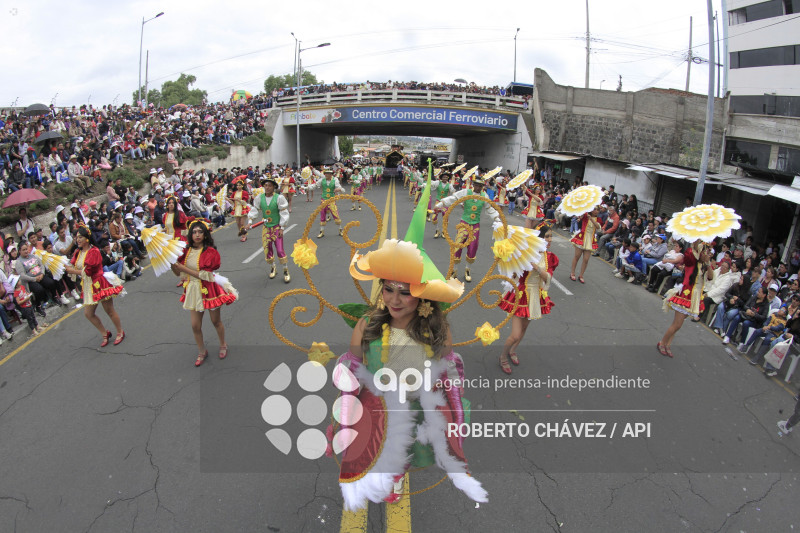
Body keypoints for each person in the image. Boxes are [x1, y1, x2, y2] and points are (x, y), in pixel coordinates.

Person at [334, 178, 486, 510]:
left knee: (405, 449)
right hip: (379, 407)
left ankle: (398, 473)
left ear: (423, 295)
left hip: (417, 405)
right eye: (388, 289)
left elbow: (448, 374)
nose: (395, 299)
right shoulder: (367, 324)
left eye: (406, 291)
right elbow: (352, 369)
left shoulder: (437, 329)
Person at [171, 219, 237, 366]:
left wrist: (183, 268)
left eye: (200, 231)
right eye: (194, 232)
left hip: (209, 288)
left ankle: (223, 344)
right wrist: (172, 264)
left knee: (215, 321)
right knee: (195, 325)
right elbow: (178, 273)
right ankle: (202, 351)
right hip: (193, 290)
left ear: (205, 234)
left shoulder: (211, 252)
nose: (197, 234)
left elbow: (206, 275)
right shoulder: (185, 251)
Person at [497, 223, 557, 373]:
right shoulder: (525, 252)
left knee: (524, 329)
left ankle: (513, 350)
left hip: (536, 295)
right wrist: (517, 267)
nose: (550, 239)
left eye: (551, 236)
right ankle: (503, 356)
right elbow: (513, 273)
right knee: (515, 334)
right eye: (547, 236)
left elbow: (548, 278)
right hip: (521, 295)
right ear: (539, 238)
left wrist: (536, 267)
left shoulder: (549, 257)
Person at [64, 225, 126, 347]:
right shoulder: (78, 252)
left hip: (98, 283)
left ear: (87, 238)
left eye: (80, 237)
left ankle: (120, 331)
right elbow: (73, 265)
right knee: (88, 313)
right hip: (88, 285)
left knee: (109, 310)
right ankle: (105, 333)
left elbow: (88, 272)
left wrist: (72, 272)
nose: (78, 240)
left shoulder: (94, 251)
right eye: (77, 238)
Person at [434, 175, 501, 282]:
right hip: (464, 224)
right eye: (476, 185)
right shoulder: (466, 192)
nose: (478, 187)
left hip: (475, 226)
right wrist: (441, 203)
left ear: (482, 187)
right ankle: (454, 270)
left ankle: (467, 270)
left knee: (473, 248)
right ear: (473, 185)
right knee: (458, 246)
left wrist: (497, 218)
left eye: (480, 186)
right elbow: (454, 198)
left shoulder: (484, 196)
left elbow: (490, 209)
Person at [658, 241, 713, 357]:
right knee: (676, 324)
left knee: (679, 325)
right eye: (705, 252)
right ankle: (662, 342)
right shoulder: (691, 261)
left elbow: (711, 277)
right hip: (686, 295)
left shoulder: (704, 265)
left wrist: (708, 263)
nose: (707, 254)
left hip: (695, 297)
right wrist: (698, 241)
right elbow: (691, 251)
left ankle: (668, 344)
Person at [248, 176, 291, 283]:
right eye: (265, 185)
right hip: (266, 228)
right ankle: (273, 267)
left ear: (274, 187)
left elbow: (284, 213)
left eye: (269, 186)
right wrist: (249, 222)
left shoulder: (279, 198)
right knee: (267, 250)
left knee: (280, 250)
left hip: (276, 227)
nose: (267, 187)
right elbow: (254, 210)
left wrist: (282, 228)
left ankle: (285, 270)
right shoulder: (259, 198)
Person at [308, 167, 345, 239]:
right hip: (323, 200)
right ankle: (321, 232)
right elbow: (314, 186)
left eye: (329, 174)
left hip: (331, 200)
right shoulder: (322, 180)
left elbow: (340, 188)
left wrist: (339, 189)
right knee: (322, 215)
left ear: (331, 174)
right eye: (326, 173)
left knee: (335, 214)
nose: (327, 175)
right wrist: (306, 188)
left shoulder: (335, 180)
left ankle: (340, 230)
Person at [569, 207, 602, 284]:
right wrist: (582, 214)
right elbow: (579, 217)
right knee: (577, 256)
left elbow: (598, 227)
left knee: (586, 259)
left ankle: (581, 275)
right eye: (594, 209)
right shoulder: (585, 215)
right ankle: (572, 272)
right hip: (582, 237)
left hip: (590, 239)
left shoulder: (598, 219)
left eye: (597, 210)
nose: (596, 211)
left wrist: (591, 219)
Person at [229, 177, 251, 242]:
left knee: (242, 223)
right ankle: (242, 234)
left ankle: (244, 236)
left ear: (242, 185)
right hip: (236, 208)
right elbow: (232, 202)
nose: (238, 186)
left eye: (239, 185)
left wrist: (238, 200)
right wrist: (227, 199)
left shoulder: (244, 192)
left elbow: (244, 202)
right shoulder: (234, 193)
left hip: (243, 208)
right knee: (238, 223)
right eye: (237, 185)